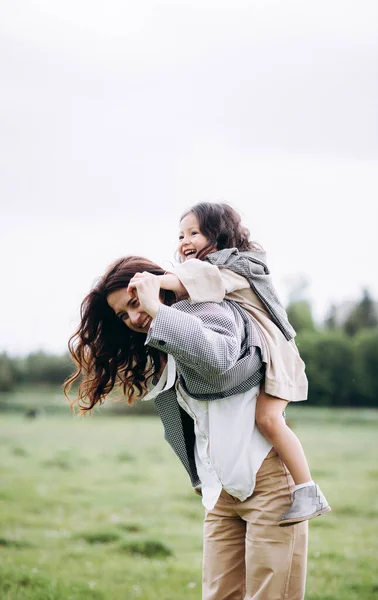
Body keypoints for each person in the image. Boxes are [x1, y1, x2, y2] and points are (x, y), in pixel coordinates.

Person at [65, 255, 308, 599]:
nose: (134, 317)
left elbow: (220, 360)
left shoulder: (212, 311)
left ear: (156, 285)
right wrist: (200, 476)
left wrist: (157, 308)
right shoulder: (169, 343)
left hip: (268, 483)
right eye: (123, 314)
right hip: (222, 493)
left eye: (135, 302)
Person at [151, 202, 330, 526]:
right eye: (180, 235)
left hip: (276, 355)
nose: (184, 241)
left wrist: (153, 285)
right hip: (256, 352)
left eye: (194, 232)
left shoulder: (233, 268)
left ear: (218, 235)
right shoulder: (215, 270)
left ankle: (307, 489)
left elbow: (193, 279)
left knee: (268, 418)